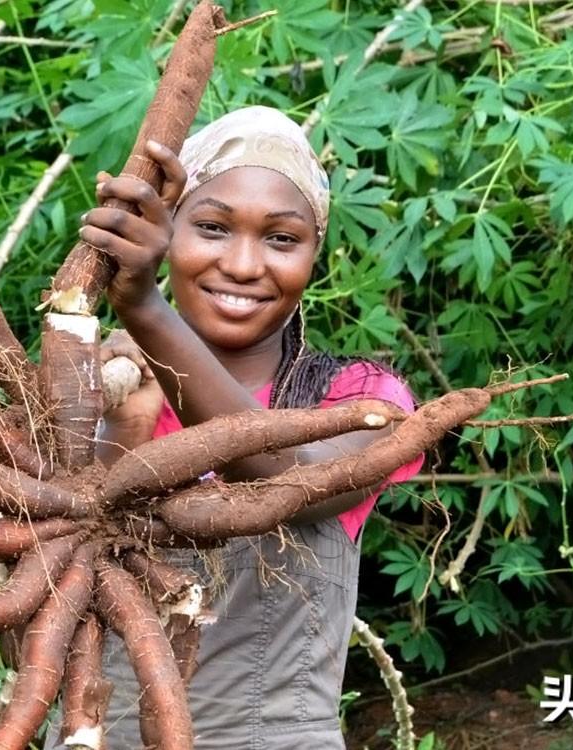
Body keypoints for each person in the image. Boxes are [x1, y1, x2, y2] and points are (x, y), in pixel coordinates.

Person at [47, 106, 425, 749]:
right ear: (166, 235)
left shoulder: (360, 398)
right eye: (213, 227)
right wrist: (119, 428)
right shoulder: (98, 393)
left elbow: (299, 481)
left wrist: (145, 311)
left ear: (314, 254)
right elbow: (38, 611)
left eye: (282, 238)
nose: (245, 265)